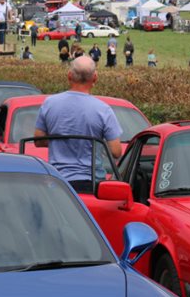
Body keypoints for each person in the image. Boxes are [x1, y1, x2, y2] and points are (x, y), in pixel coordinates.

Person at [34, 56, 123, 194]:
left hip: (57, 181)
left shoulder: (49, 103)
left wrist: (62, 140)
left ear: (69, 76)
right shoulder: (103, 109)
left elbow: (38, 141)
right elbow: (116, 151)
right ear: (95, 78)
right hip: (91, 182)